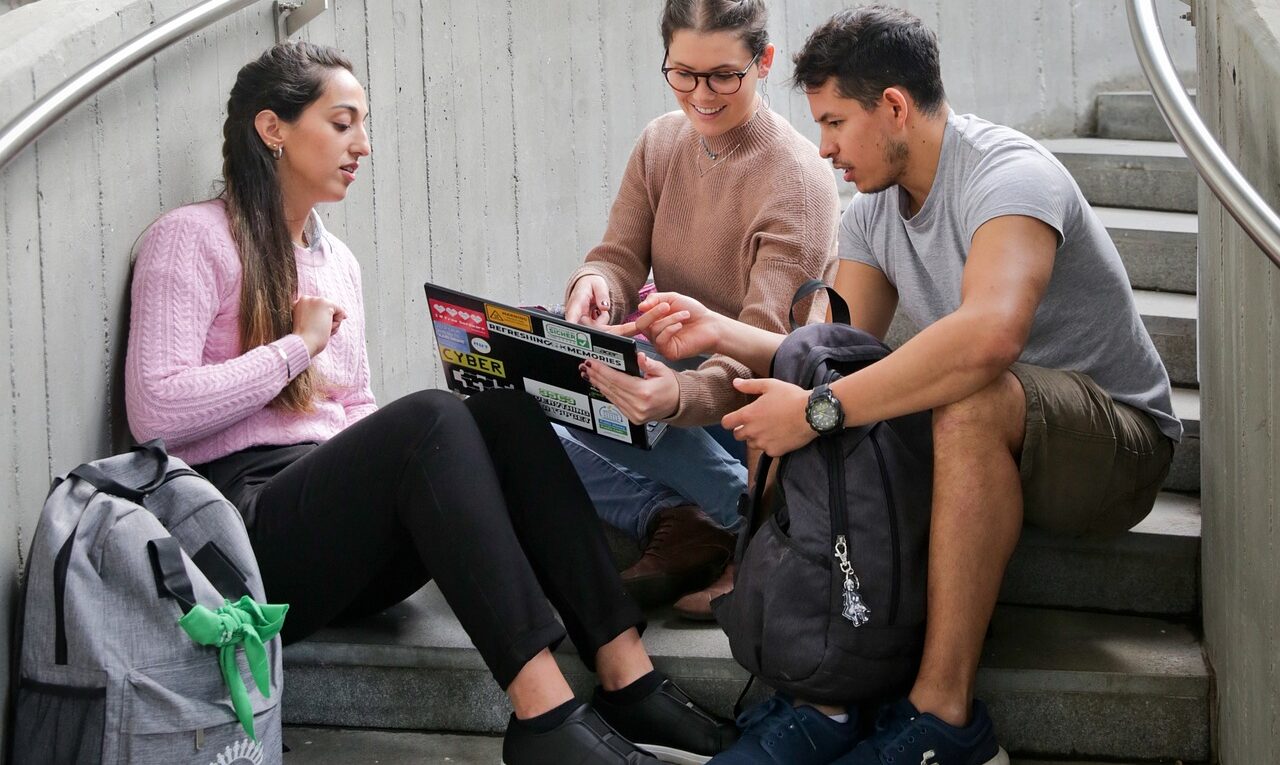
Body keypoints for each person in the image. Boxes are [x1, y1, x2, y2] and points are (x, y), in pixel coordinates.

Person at [124, 41, 737, 765]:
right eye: (343, 123)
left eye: (364, 125)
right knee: (430, 417)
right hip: (244, 534)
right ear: (273, 129)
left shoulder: (337, 260)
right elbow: (154, 412)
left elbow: (356, 412)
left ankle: (628, 675)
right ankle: (545, 716)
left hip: (340, 534)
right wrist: (295, 347)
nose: (364, 145)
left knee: (503, 410)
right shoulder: (190, 239)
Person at [631, 6, 1181, 764]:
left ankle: (946, 720)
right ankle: (828, 691)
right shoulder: (873, 214)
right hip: (984, 448)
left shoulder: (1008, 176)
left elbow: (990, 338)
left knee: (960, 396)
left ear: (892, 106)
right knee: (814, 371)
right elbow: (829, 352)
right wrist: (721, 333)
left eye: (834, 123)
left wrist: (821, 411)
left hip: (1112, 446)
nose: (823, 149)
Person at [563, 0, 840, 615]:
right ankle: (678, 514)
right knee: (510, 403)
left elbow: (766, 350)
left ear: (763, 62)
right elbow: (617, 255)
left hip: (748, 408)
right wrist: (596, 285)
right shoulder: (662, 142)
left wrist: (679, 398)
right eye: (683, 73)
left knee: (604, 388)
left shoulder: (797, 180)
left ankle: (748, 511)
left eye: (723, 76)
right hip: (666, 377)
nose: (701, 94)